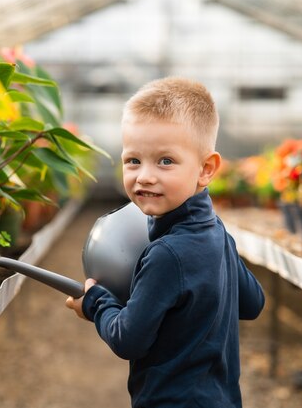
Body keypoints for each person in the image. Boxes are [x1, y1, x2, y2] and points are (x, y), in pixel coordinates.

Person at [66, 76, 265, 408]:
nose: (144, 175)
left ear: (206, 169)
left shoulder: (166, 254)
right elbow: (253, 302)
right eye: (133, 160)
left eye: (165, 161)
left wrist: (95, 302)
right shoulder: (217, 234)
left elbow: (128, 340)